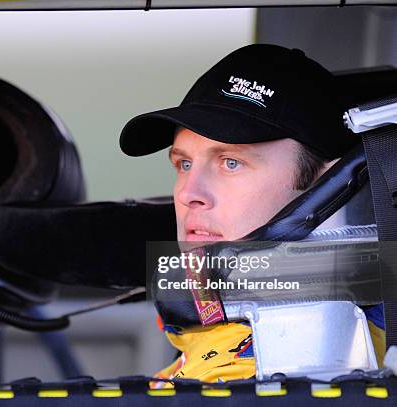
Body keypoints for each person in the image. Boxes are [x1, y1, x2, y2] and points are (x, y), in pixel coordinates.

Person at [119, 44, 385, 383]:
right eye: (184, 163)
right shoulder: (208, 347)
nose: (188, 194)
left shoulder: (313, 369)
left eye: (231, 163)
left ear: (329, 187)